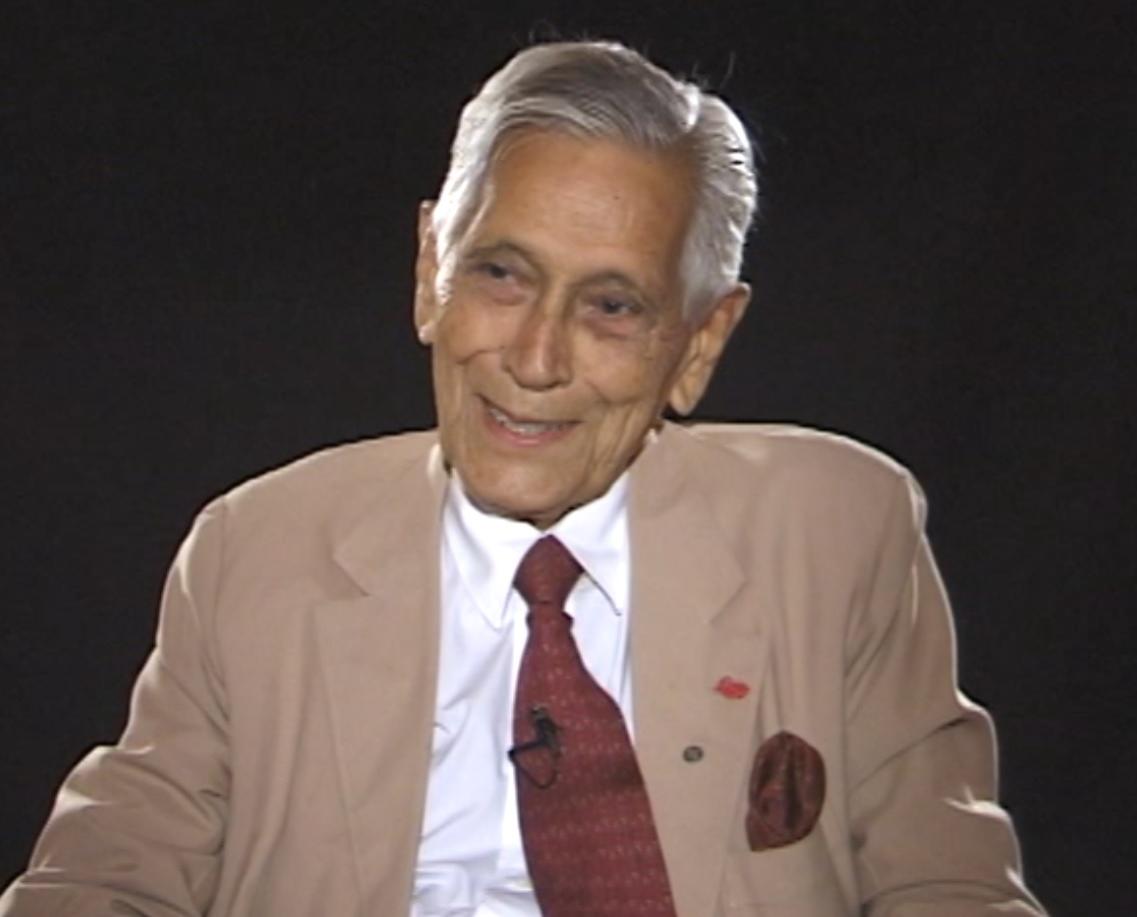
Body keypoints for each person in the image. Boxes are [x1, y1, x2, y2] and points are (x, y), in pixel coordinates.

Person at [1, 40, 1045, 916]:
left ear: (700, 344)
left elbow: (947, 885)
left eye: (612, 307)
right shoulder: (254, 548)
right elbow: (104, 878)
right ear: (430, 272)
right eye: (501, 274)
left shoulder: (838, 528)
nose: (535, 360)